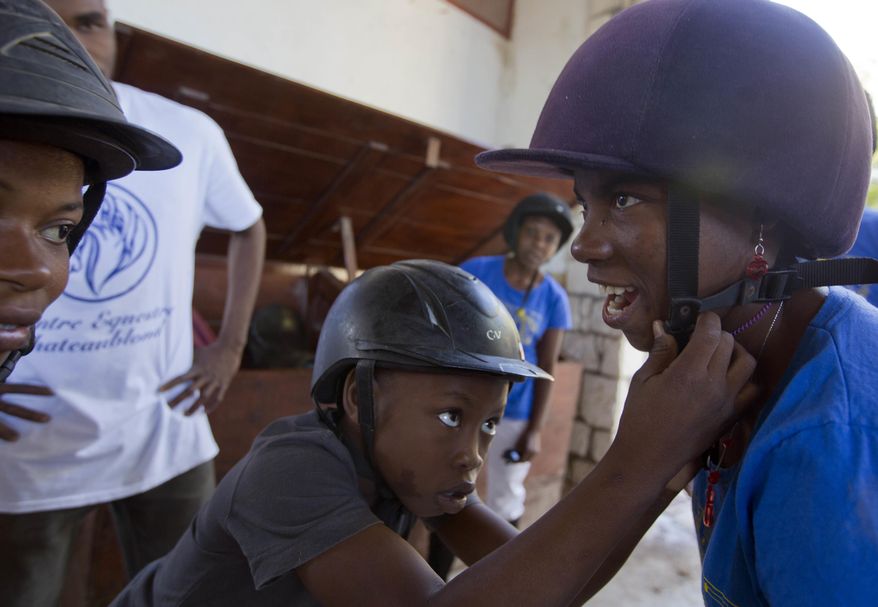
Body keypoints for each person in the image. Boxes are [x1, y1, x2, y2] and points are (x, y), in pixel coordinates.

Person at [475, 0, 878, 604]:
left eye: (627, 199)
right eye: (586, 203)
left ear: (761, 217)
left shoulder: (819, 442)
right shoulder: (736, 361)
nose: (583, 246)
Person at [110, 259, 753, 606]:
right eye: (451, 416)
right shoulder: (292, 469)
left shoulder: (410, 471)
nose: (472, 452)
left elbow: (555, 580)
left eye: (489, 424)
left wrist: (661, 478)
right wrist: (632, 463)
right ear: (357, 397)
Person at [0, 0, 266, 603]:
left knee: (190, 588)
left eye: (90, 21)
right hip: (30, 446)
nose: (70, 36)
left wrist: (229, 347)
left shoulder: (189, 133)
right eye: (51, 18)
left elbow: (249, 225)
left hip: (162, 424)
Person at [426, 193, 572, 579]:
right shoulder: (476, 272)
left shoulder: (555, 299)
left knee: (506, 498)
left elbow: (548, 364)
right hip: (464, 407)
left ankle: (503, 583)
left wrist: (535, 430)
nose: (539, 244)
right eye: (532, 233)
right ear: (514, 233)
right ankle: (436, 583)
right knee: (450, 492)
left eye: (548, 239)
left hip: (515, 412)